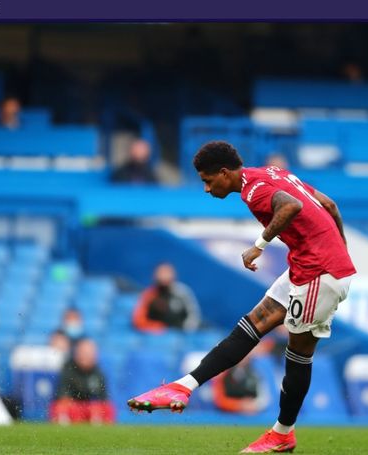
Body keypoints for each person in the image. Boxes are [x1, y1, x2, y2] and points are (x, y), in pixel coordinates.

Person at [127, 141, 356, 453]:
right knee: (253, 324)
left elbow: (291, 206)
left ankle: (282, 434)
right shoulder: (273, 172)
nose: (207, 189)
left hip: (320, 272)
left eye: (208, 181)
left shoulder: (254, 190)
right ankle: (183, 386)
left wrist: (258, 245)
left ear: (224, 173)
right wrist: (340, 246)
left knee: (298, 352)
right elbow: (329, 205)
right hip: (307, 263)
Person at [49, 338, 115, 424]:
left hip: (90, 408)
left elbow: (103, 399)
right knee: (61, 407)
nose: (86, 356)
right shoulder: (68, 369)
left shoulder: (99, 373)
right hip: (73, 408)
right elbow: (63, 397)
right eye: (83, 353)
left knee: (105, 408)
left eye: (89, 353)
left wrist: (94, 408)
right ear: (77, 353)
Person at [132, 263, 201, 333]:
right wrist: (157, 328)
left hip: (180, 334)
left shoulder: (182, 292)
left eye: (167, 273)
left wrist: (186, 331)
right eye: (161, 273)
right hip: (156, 335)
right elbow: (139, 320)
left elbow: (193, 315)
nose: (164, 276)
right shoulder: (149, 294)